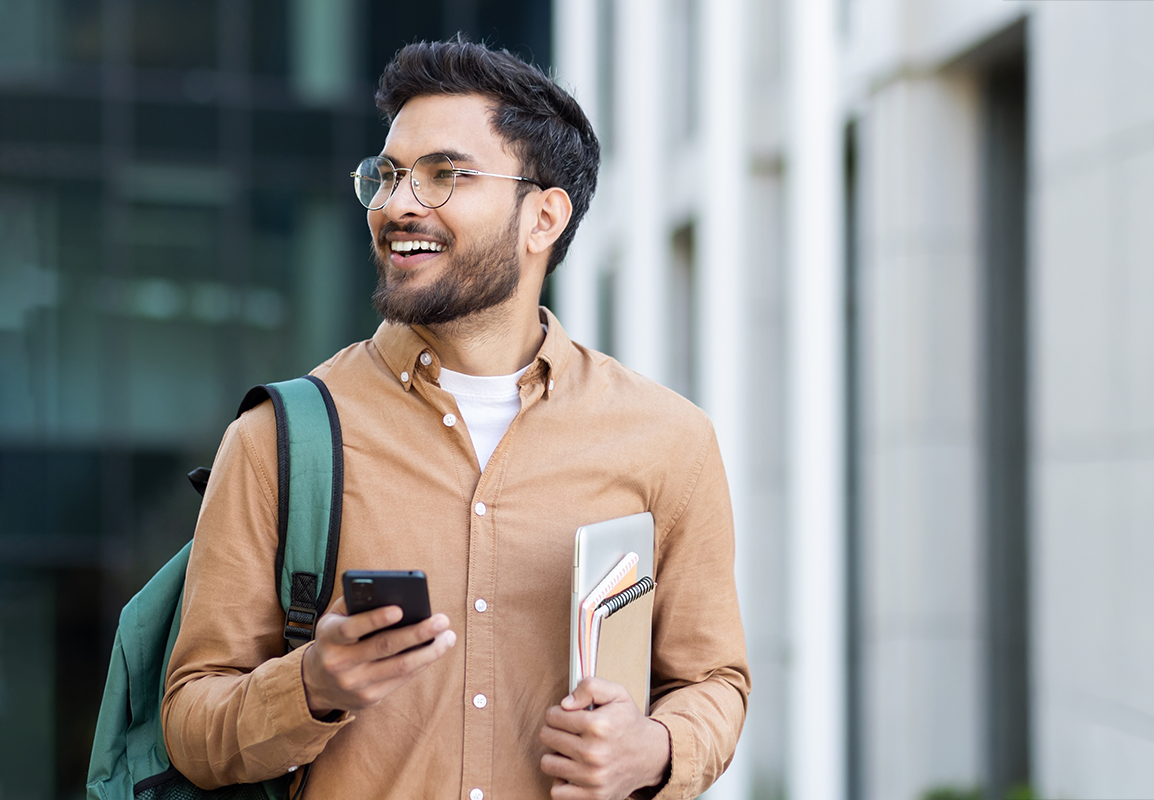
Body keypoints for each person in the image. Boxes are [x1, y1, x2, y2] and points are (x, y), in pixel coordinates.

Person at [163, 39, 749, 800]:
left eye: (445, 175)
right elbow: (191, 723)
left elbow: (713, 681)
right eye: (389, 175)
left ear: (543, 217)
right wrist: (311, 683)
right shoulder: (280, 437)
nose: (399, 203)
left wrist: (656, 749)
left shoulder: (669, 439)